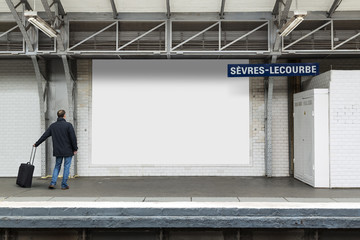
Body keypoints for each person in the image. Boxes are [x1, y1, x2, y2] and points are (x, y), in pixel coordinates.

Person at [34, 109, 78, 190]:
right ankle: (64, 185)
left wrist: (36, 144)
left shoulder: (53, 126)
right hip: (68, 150)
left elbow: (44, 136)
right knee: (66, 167)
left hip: (58, 150)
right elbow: (73, 138)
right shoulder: (68, 125)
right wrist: (75, 148)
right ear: (64, 115)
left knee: (57, 166)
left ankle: (53, 183)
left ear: (58, 116)